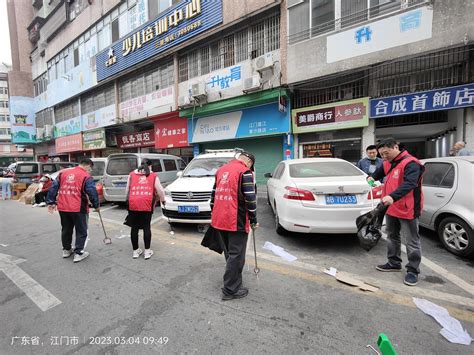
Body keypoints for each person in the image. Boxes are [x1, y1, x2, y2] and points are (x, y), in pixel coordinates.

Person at [368, 138, 424, 286]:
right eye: (381, 155)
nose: (384, 157)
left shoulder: (411, 163)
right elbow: (377, 174)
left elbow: (410, 183)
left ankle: (413, 270)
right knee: (392, 236)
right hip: (390, 206)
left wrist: (392, 196)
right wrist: (371, 178)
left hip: (408, 208)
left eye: (386, 153)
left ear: (396, 147)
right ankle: (394, 263)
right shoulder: (387, 163)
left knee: (412, 241)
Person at [210, 151, 258, 301]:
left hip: (219, 219)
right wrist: (254, 220)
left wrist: (215, 214)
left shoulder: (220, 170)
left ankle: (234, 280)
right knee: (236, 255)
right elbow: (250, 199)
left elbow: (213, 196)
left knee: (230, 254)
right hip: (235, 220)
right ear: (249, 162)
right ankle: (230, 290)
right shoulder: (245, 172)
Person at [46, 158, 99, 263]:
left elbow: (53, 187)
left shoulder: (63, 173)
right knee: (81, 230)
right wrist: (96, 205)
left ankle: (66, 250)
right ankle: (78, 253)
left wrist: (51, 201)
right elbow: (92, 192)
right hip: (78, 208)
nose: (90, 171)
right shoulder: (86, 176)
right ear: (88, 165)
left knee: (66, 229)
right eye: (90, 168)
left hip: (63, 207)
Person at [124, 158, 165, 260]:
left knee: (134, 227)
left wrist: (128, 201)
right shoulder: (153, 175)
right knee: (146, 227)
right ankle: (147, 252)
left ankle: (135, 252)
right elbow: (160, 190)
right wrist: (163, 200)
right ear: (150, 166)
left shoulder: (131, 174)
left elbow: (126, 190)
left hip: (132, 203)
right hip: (146, 203)